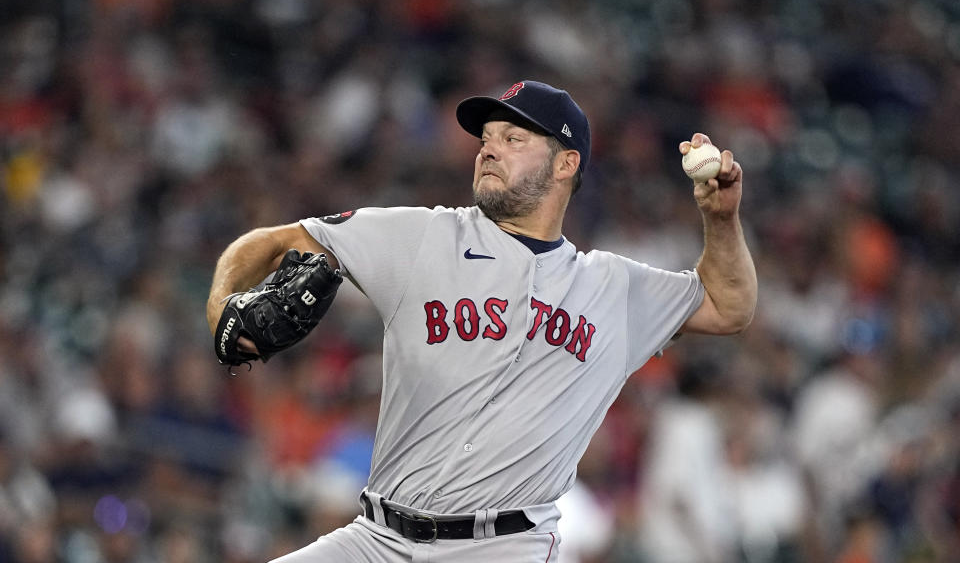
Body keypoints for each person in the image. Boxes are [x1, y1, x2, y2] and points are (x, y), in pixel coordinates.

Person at [205, 80, 758, 562]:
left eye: (513, 139)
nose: (490, 149)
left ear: (566, 164)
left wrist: (722, 220)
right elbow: (269, 243)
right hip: (377, 539)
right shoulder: (422, 236)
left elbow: (729, 306)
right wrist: (220, 311)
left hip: (506, 548)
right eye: (486, 138)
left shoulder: (614, 288)